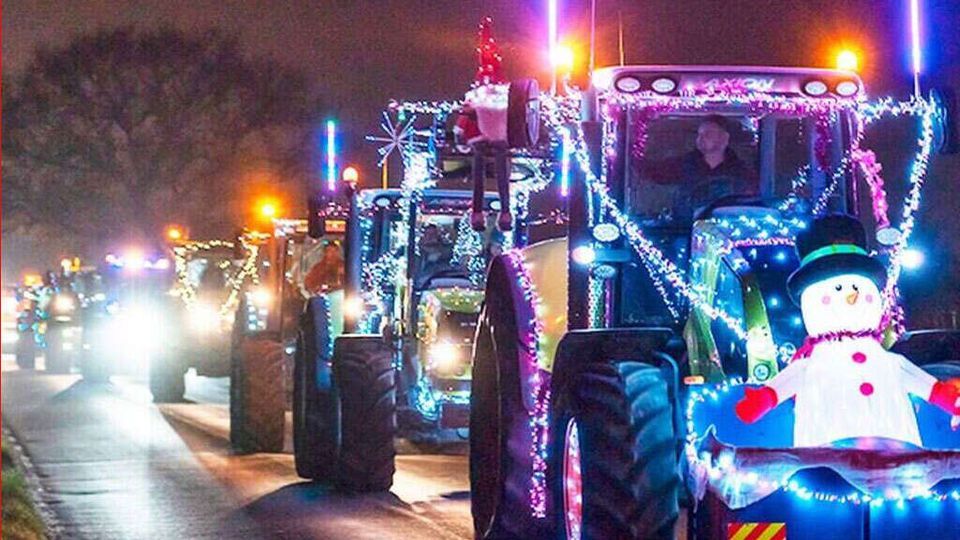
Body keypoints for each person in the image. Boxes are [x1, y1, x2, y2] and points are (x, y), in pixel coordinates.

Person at [640, 114, 758, 218]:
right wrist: (633, 150)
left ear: (724, 138)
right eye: (699, 134)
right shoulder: (683, 165)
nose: (700, 138)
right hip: (685, 230)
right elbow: (654, 173)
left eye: (708, 134)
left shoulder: (740, 172)